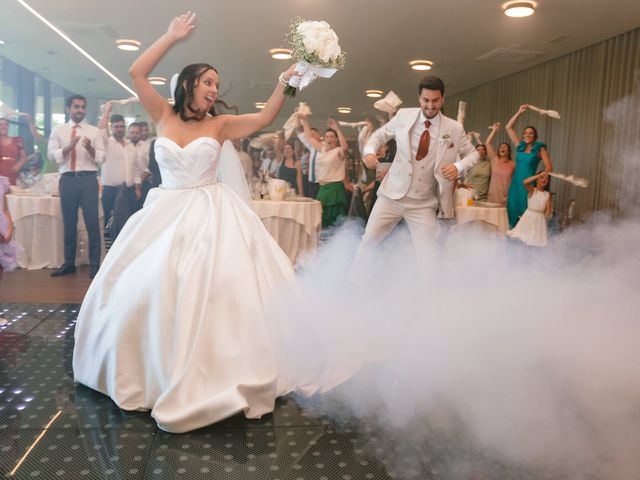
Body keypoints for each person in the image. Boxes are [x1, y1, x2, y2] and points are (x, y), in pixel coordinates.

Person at [72, 11, 311, 434]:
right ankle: (148, 369)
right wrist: (169, 36)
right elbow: (136, 71)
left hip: (210, 213)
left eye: (217, 85)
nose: (214, 90)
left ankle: (211, 370)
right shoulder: (162, 114)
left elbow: (264, 120)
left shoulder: (220, 125)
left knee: (216, 289)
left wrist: (284, 82)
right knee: (142, 289)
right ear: (188, 84)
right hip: (163, 213)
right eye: (208, 82)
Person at [352, 76, 479, 273]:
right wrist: (369, 153)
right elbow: (378, 136)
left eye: (435, 100)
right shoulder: (403, 116)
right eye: (426, 100)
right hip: (391, 196)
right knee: (368, 239)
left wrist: (458, 167)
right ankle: (354, 283)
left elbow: (473, 153)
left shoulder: (454, 128)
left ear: (443, 99)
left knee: (428, 256)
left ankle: (429, 298)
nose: (430, 105)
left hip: (423, 204)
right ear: (419, 98)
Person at [47, 94, 105, 279]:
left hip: (88, 180)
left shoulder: (94, 131)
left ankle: (96, 265)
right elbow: (51, 155)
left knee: (92, 224)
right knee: (69, 224)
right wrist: (68, 147)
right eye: (76, 107)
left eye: (82, 107)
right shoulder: (58, 131)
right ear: (68, 109)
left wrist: (89, 148)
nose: (80, 110)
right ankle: (69, 263)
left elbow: (102, 158)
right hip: (67, 180)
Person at [300, 116, 352, 227]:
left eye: (332, 137)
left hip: (335, 189)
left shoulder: (338, 151)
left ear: (336, 139)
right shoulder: (321, 149)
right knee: (321, 220)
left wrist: (337, 129)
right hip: (322, 188)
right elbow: (309, 137)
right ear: (324, 138)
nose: (329, 139)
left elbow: (345, 148)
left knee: (335, 222)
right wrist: (304, 120)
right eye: (327, 137)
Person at [505, 105, 553, 227]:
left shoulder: (539, 148)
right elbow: (508, 127)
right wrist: (519, 112)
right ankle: (512, 236)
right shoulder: (520, 146)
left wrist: (539, 179)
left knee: (525, 211)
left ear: (535, 136)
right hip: (515, 183)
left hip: (528, 184)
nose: (527, 135)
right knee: (512, 208)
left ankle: (525, 239)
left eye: (531, 133)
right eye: (525, 133)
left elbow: (549, 168)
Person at [506, 171, 552, 247]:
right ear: (537, 179)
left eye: (547, 179)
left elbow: (548, 210)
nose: (544, 180)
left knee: (535, 243)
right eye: (541, 177)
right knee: (524, 240)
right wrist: (538, 175)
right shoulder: (532, 190)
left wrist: (548, 214)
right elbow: (525, 182)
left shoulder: (547, 194)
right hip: (529, 218)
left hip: (539, 220)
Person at [485, 122, 515, 206]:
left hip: (506, 198)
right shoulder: (495, 160)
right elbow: (487, 143)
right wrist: (494, 130)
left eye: (505, 147)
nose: (502, 148)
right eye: (501, 147)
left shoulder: (513, 164)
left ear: (509, 151)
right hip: (492, 197)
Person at [0, 118, 27, 186]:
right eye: (0, 124)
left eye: (5, 125)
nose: (3, 126)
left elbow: (24, 158)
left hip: (13, 171)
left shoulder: (16, 140)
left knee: (13, 193)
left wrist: (19, 165)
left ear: (8, 127)